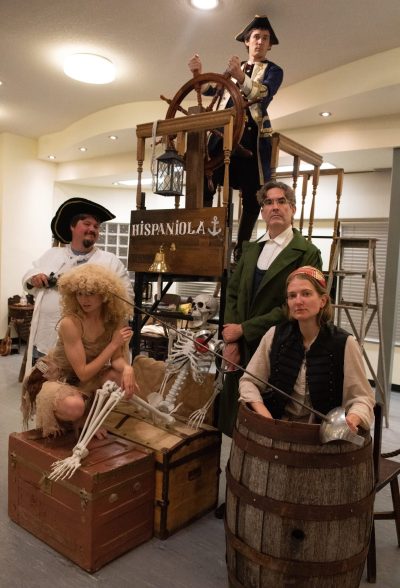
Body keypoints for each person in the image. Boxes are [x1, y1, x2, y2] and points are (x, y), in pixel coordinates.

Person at [219, 180, 323, 437]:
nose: (274, 207)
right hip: (241, 347)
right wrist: (232, 339)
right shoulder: (251, 249)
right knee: (236, 419)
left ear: (293, 209)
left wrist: (245, 329)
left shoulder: (306, 253)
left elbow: (296, 307)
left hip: (281, 347)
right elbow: (232, 293)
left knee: (270, 426)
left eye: (281, 201)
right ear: (263, 211)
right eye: (268, 202)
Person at [188, 15, 283, 260]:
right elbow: (217, 90)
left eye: (265, 38)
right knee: (207, 176)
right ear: (247, 42)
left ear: (270, 45)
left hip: (252, 135)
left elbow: (264, 95)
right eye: (256, 37)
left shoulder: (274, 71)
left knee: (254, 195)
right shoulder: (236, 67)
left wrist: (240, 76)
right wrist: (197, 76)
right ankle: (207, 240)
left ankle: (241, 249)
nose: (260, 42)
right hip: (227, 131)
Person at [239, 266, 375, 430]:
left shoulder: (345, 343)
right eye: (292, 296)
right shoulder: (274, 335)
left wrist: (352, 419)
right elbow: (249, 381)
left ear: (322, 301)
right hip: (276, 430)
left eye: (306, 294)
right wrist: (266, 417)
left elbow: (363, 398)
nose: (298, 301)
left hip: (322, 437)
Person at [21, 264, 138, 437]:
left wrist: (128, 368)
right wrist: (113, 344)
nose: (84, 299)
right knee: (74, 407)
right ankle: (79, 418)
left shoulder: (113, 320)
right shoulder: (71, 322)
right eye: (79, 293)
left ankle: (89, 417)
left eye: (90, 293)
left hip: (85, 376)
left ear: (105, 295)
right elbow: (83, 373)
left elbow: (116, 358)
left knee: (120, 376)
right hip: (54, 376)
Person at [22, 197, 133, 374]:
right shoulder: (52, 255)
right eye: (87, 224)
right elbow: (29, 277)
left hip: (90, 346)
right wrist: (34, 278)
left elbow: (126, 299)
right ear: (72, 227)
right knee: (41, 388)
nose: (92, 229)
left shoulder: (110, 262)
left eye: (96, 227)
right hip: (47, 340)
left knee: (83, 393)